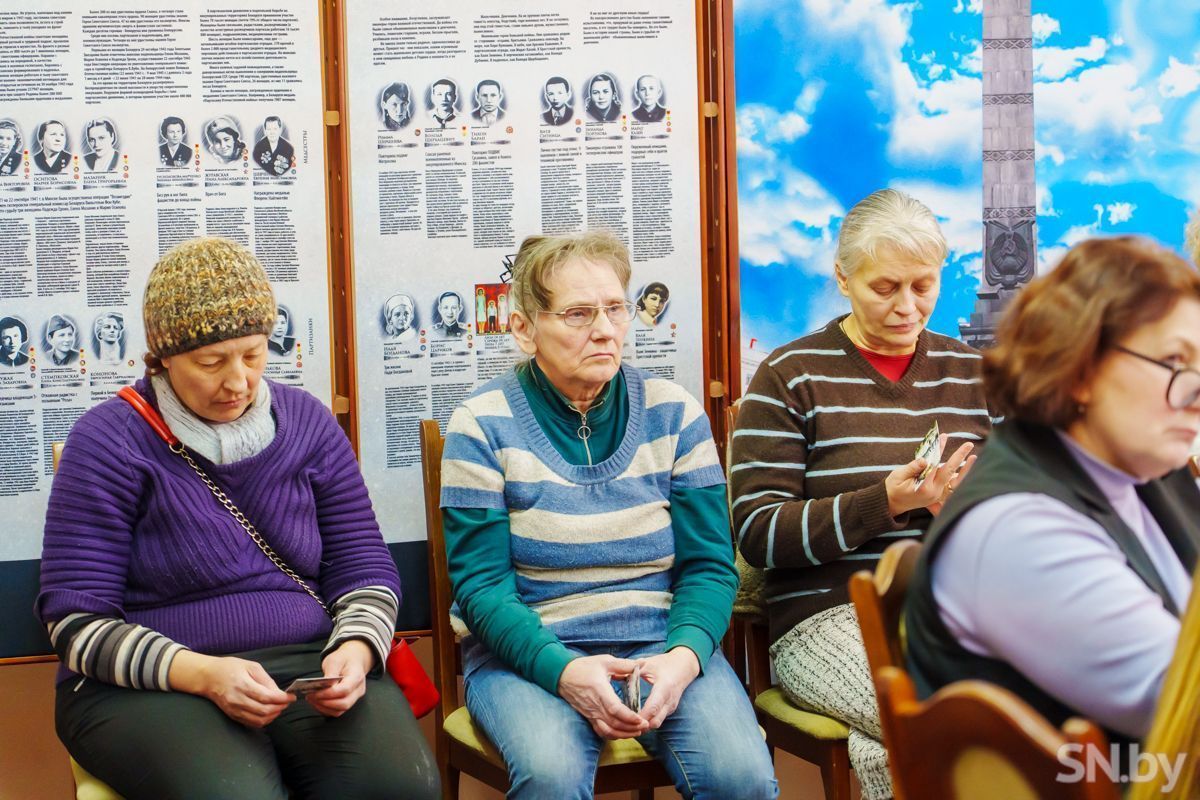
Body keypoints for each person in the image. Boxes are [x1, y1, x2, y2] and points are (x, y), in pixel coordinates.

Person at [36, 237, 439, 800]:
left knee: (398, 788)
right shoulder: (108, 441)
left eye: (253, 355)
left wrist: (356, 648)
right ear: (163, 356)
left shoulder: (308, 423)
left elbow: (364, 570)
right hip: (149, 682)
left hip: (307, 658)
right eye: (210, 362)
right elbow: (76, 624)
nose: (238, 382)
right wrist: (202, 673)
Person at [441, 231, 778, 800]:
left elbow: (709, 567)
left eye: (616, 309)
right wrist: (563, 671)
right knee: (550, 776)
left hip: (661, 642)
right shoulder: (480, 424)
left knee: (740, 778)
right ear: (524, 328)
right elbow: (481, 589)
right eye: (578, 314)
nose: (605, 329)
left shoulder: (675, 413)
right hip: (528, 651)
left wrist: (683, 659)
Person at [731, 188, 992, 800]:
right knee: (942, 719)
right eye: (885, 287)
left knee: (905, 739)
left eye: (923, 286)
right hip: (822, 617)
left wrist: (966, 511)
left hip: (956, 611)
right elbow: (758, 534)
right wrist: (887, 503)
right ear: (843, 278)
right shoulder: (789, 376)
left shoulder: (974, 374)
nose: (908, 307)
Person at [905, 236, 1200, 748]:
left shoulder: (1146, 470)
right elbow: (1183, 711)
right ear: (1080, 370)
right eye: (1176, 361)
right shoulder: (1018, 531)